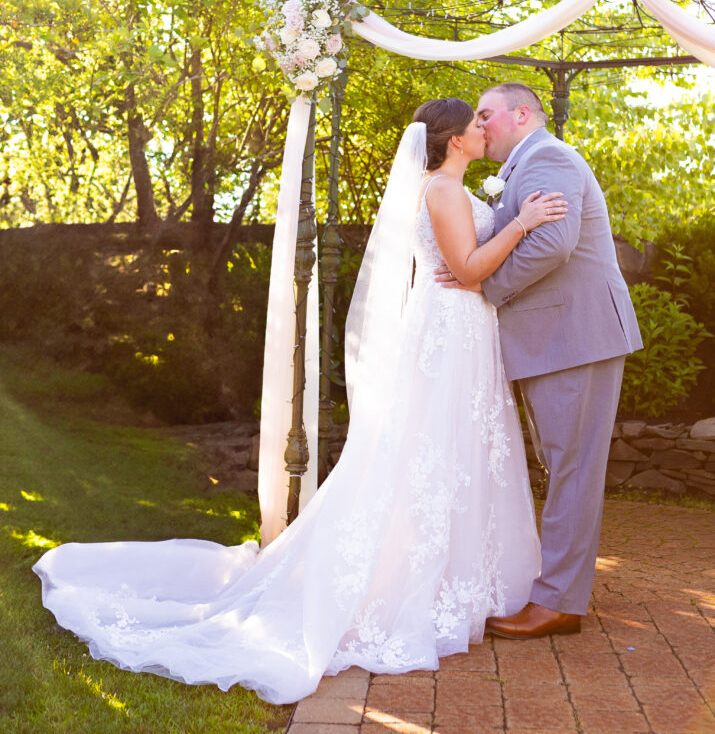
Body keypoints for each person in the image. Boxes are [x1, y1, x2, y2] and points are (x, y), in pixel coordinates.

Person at [32, 97, 566, 704]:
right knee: (429, 452)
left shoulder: (450, 189)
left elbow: (466, 267)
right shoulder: (442, 192)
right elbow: (468, 270)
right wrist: (521, 223)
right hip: (448, 331)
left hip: (461, 331)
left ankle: (464, 577)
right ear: (450, 139)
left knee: (454, 452)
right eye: (474, 123)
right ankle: (417, 584)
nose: (482, 128)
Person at [437, 83, 642, 639]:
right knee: (565, 466)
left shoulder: (548, 156)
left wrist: (481, 284)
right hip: (556, 338)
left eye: (487, 115)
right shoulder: (528, 164)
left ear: (520, 113)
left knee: (573, 469)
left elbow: (553, 244)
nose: (480, 126)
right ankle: (559, 592)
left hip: (574, 335)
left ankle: (558, 604)